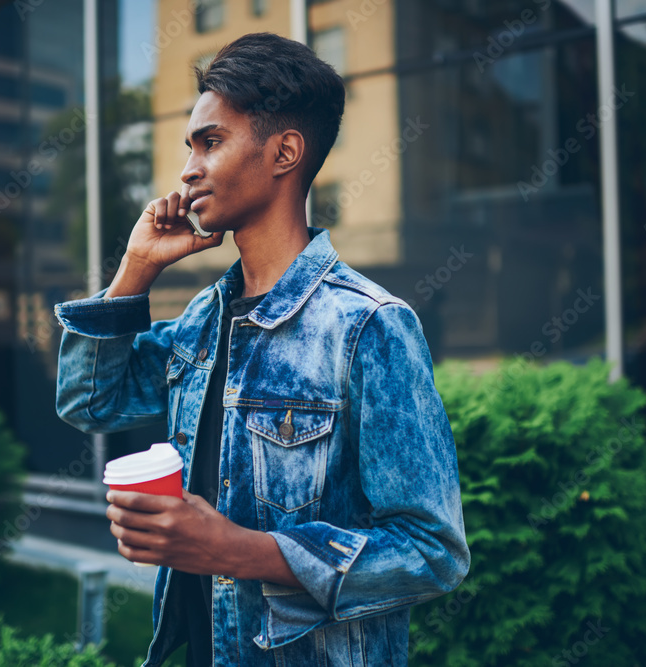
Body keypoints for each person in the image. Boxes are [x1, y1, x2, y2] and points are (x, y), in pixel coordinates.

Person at [54, 32, 469, 666]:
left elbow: (432, 553)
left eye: (210, 142)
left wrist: (239, 550)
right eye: (189, 146)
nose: (188, 169)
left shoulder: (368, 327)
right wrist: (135, 269)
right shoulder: (201, 321)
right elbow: (90, 401)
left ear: (284, 153)